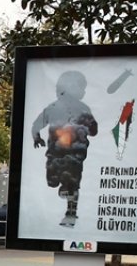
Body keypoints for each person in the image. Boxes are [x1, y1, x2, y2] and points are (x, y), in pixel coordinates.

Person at [30, 70, 98, 228]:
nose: (83, 92)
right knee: (52, 181)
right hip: (55, 153)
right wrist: (36, 137)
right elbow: (36, 125)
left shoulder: (83, 109)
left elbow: (94, 131)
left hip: (75, 155)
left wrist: (87, 125)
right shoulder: (52, 108)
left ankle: (71, 212)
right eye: (82, 88)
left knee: (73, 182)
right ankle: (63, 187)